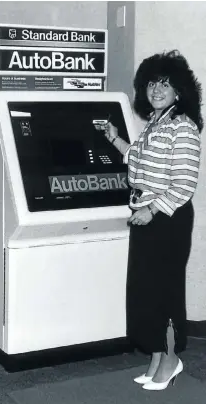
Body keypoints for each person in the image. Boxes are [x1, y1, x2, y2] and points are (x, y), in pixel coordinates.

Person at [94, 50, 203, 391]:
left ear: (179, 91)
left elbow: (184, 184)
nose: (157, 89)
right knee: (145, 291)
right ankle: (157, 357)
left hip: (167, 219)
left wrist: (152, 210)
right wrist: (112, 137)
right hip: (146, 217)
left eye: (166, 84)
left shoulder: (182, 127)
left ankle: (171, 359)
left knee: (164, 292)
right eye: (153, 82)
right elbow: (136, 158)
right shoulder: (155, 124)